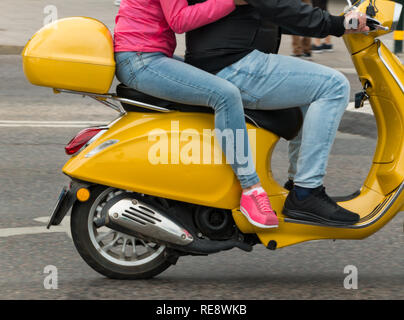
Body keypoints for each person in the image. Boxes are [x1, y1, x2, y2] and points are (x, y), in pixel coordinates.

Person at [185, 0, 369, 225]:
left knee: (312, 89)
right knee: (334, 85)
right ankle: (306, 192)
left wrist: (330, 22)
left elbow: (272, 13)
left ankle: (297, 185)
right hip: (232, 63)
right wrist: (336, 24)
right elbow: (275, 5)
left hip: (224, 56)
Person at [113, 0, 279, 228]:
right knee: (225, 94)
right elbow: (180, 20)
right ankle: (251, 189)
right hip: (141, 59)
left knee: (218, 83)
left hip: (147, 55)